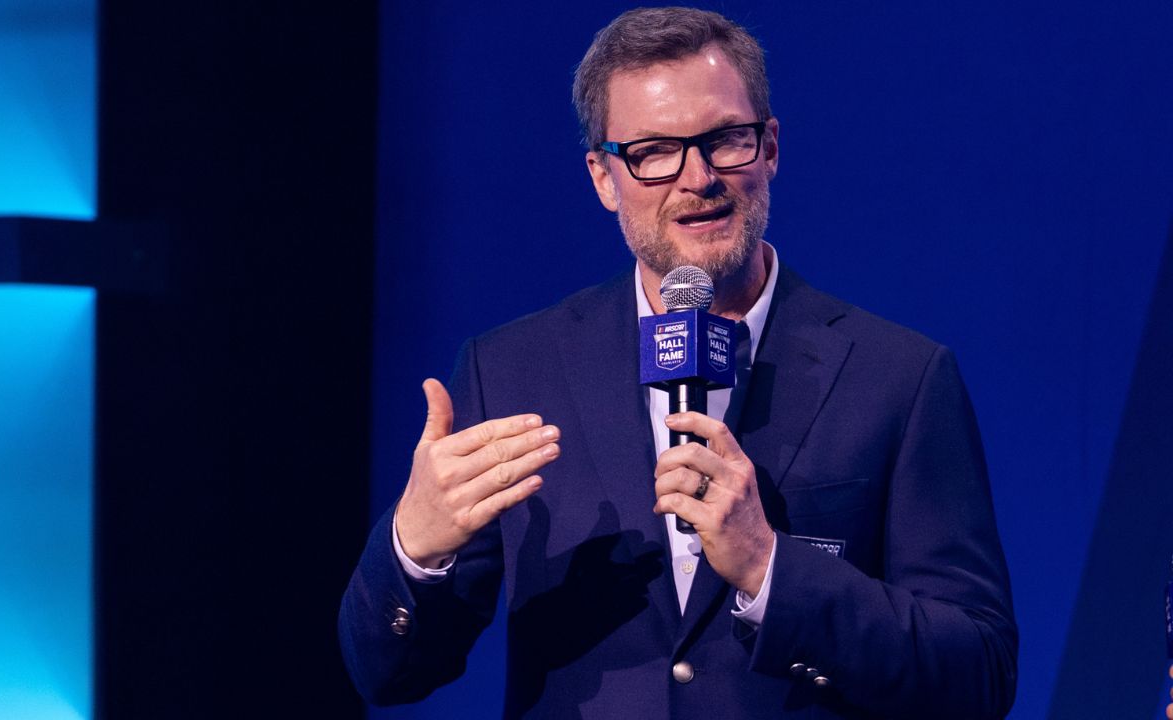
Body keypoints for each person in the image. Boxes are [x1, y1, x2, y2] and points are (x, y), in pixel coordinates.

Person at [340, 7, 1017, 718]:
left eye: (726, 140)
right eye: (655, 151)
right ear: (604, 177)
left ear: (771, 148)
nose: (697, 177)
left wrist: (768, 566)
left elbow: (979, 672)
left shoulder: (899, 378)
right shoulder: (511, 371)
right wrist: (413, 548)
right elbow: (388, 676)